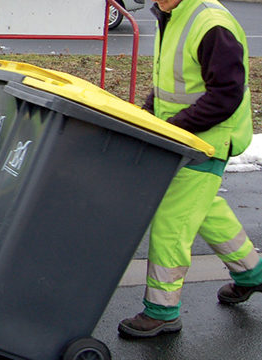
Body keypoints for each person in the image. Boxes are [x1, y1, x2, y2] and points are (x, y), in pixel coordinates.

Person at [118, 0, 261, 338]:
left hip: (207, 140)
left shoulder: (211, 23)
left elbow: (225, 95)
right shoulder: (170, 13)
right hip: (185, 137)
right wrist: (149, 115)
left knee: (172, 219)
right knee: (204, 209)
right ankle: (252, 274)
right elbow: (175, 82)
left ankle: (162, 311)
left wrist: (175, 128)